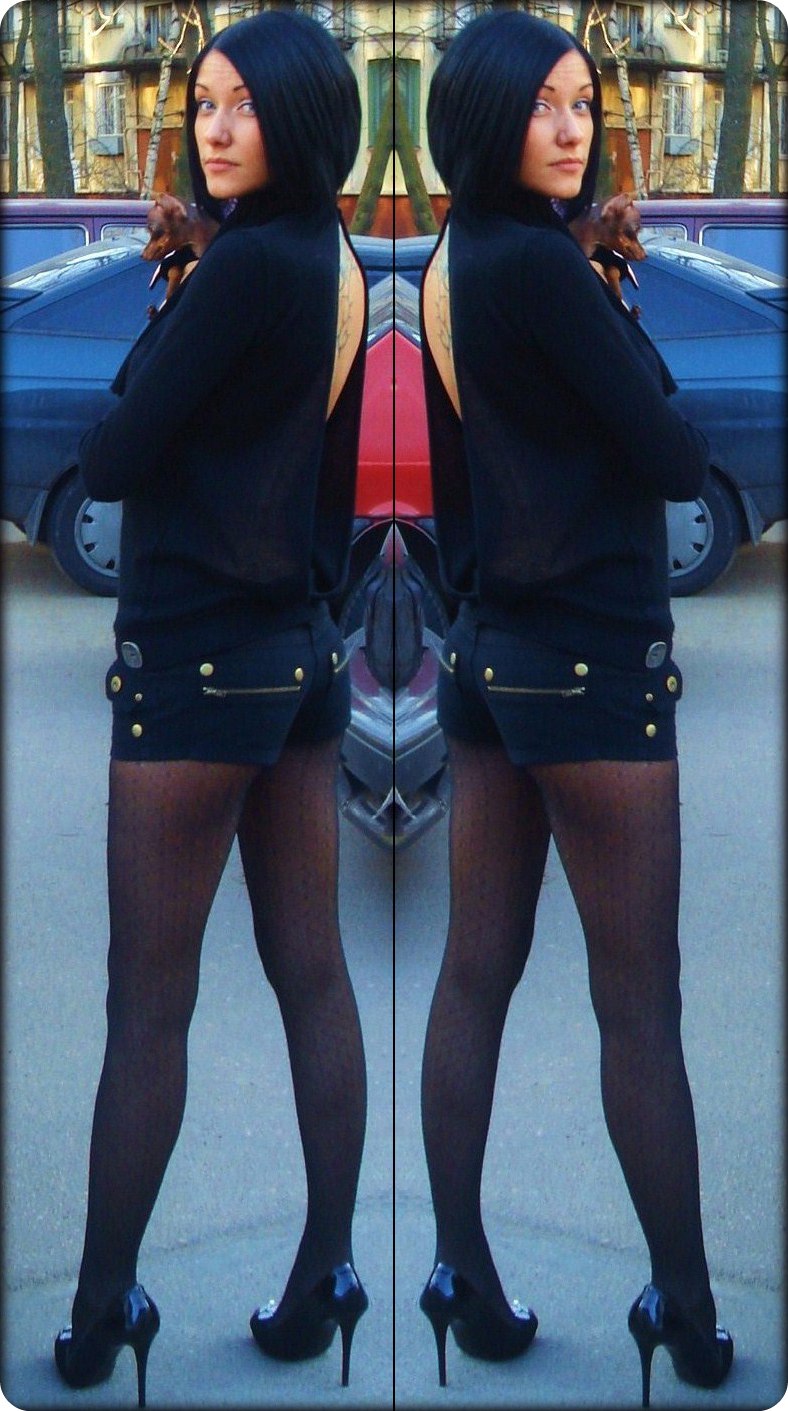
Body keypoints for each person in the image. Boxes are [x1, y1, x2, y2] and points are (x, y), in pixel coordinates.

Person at [417, 12, 733, 1406]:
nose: (572, 124)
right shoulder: (545, 270)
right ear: (486, 116)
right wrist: (612, 293)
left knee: (472, 978)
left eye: (583, 101)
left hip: (488, 657)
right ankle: (690, 1311)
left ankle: (459, 1272)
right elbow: (669, 456)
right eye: (543, 102)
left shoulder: (454, 259)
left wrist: (589, 263)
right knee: (640, 1007)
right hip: (596, 668)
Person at [53, 12, 369, 1404]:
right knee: (314, 976)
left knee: (146, 1006)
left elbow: (119, 455)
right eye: (206, 101)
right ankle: (328, 1273)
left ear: (301, 117)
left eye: (245, 104)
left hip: (193, 665)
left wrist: (176, 292)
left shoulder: (244, 271)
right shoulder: (333, 257)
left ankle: (98, 1310)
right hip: (300, 654)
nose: (215, 125)